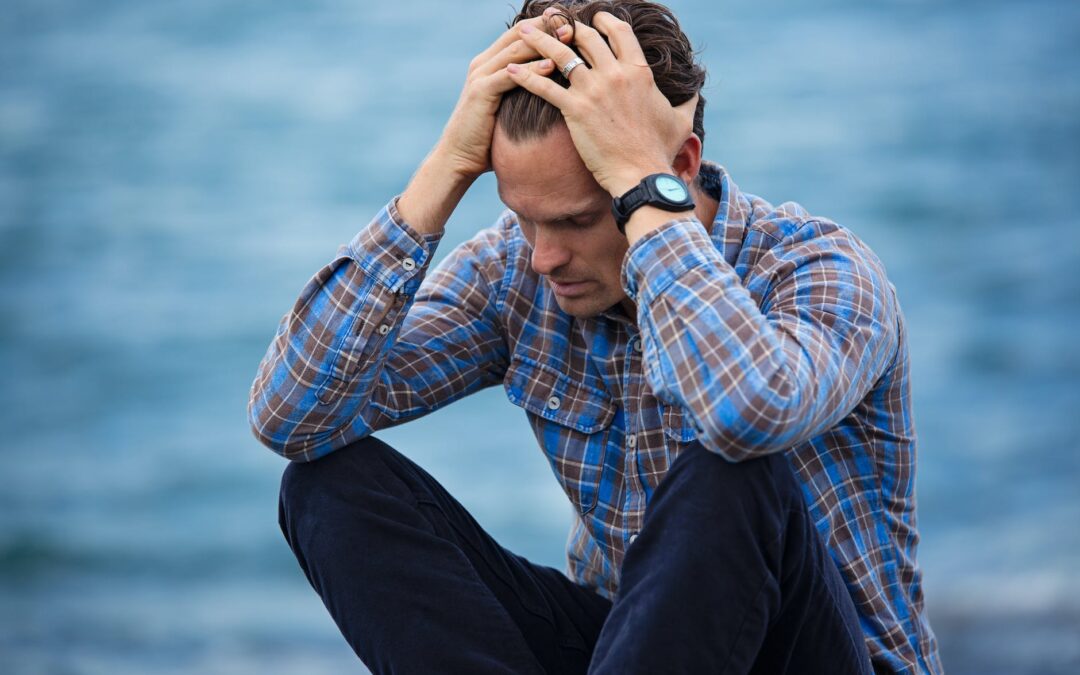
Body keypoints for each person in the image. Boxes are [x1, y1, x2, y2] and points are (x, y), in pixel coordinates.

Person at [248, 1, 943, 672]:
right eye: (524, 218)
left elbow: (745, 412)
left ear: (678, 165)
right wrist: (444, 170)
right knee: (327, 487)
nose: (544, 255)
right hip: (629, 646)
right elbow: (292, 417)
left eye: (577, 221)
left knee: (729, 470)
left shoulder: (820, 271)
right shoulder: (517, 273)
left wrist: (644, 191)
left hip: (816, 654)